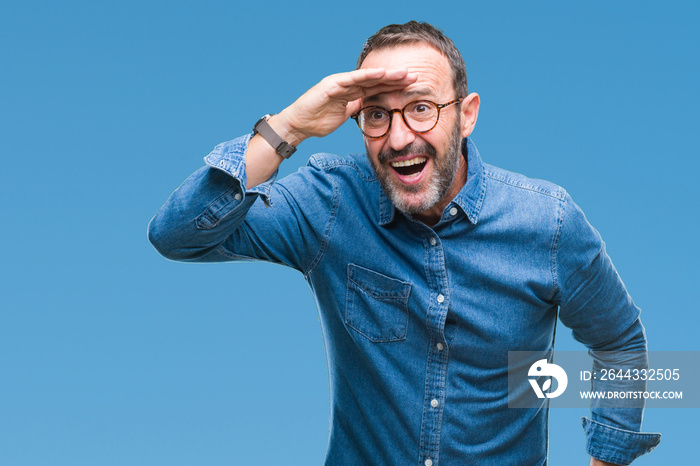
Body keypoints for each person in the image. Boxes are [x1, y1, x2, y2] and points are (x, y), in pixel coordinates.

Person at [148, 21, 660, 465]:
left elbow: (619, 344)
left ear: (467, 114)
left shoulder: (547, 222)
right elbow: (177, 234)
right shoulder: (329, 201)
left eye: (421, 109)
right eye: (377, 115)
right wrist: (290, 127)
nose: (398, 138)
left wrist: (608, 459)